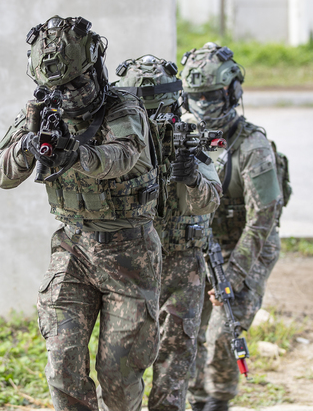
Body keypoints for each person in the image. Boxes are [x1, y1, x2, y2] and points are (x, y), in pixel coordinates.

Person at [0, 16, 162, 411]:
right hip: (73, 249)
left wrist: (75, 155)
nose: (68, 96)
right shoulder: (43, 109)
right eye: (57, 89)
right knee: (63, 364)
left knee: (118, 374)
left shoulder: (124, 107)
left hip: (129, 252)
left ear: (96, 70)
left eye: (76, 84)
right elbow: (2, 175)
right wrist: (27, 147)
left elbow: (121, 156)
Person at [113, 55, 222, 411]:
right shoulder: (117, 140)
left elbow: (210, 199)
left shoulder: (190, 136)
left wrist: (190, 174)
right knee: (123, 359)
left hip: (180, 261)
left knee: (175, 357)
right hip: (131, 260)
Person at [183, 43, 284, 411]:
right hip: (200, 244)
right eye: (195, 97)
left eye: (211, 96)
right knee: (184, 328)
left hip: (248, 245)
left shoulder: (252, 144)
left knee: (224, 331)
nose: (203, 104)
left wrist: (233, 276)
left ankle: (219, 400)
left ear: (232, 92)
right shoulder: (185, 137)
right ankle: (195, 399)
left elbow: (264, 217)